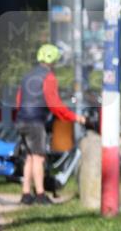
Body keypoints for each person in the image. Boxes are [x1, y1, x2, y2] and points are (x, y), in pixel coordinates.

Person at [14, 44, 86, 205]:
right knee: (39, 158)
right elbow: (54, 104)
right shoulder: (49, 77)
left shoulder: (28, 76)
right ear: (53, 61)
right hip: (35, 122)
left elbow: (19, 100)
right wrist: (74, 117)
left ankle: (26, 194)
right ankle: (40, 195)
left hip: (21, 120)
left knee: (30, 158)